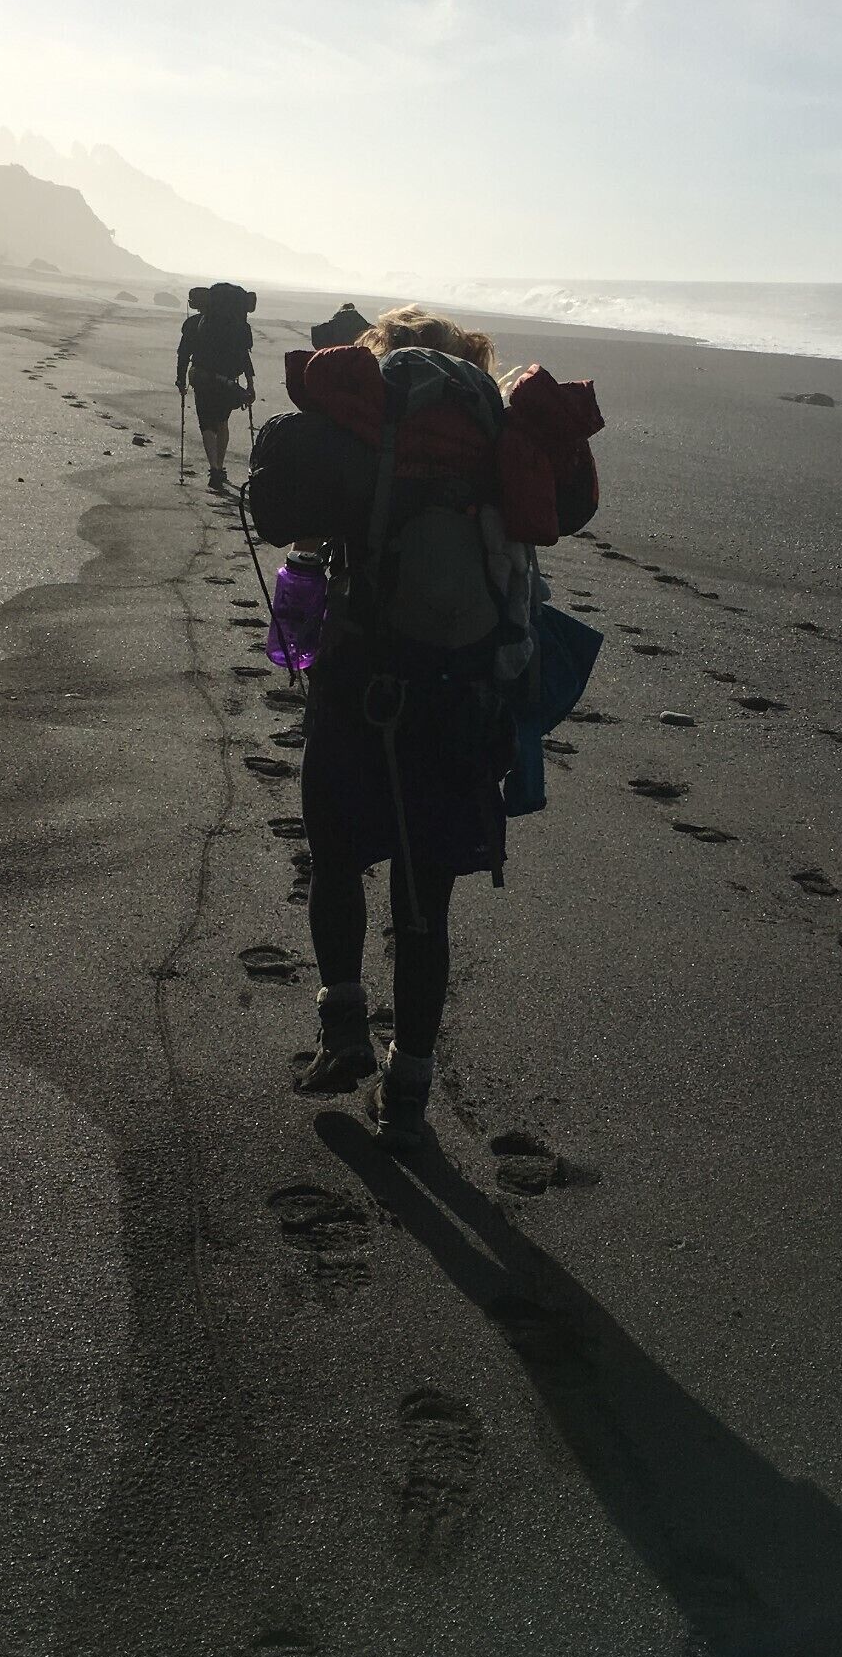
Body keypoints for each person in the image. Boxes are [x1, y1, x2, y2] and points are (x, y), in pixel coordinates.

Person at [246, 305, 602, 1143]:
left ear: (381, 359)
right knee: (424, 901)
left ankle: (342, 1034)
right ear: (474, 364)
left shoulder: (368, 432)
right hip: (461, 700)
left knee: (335, 860)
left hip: (362, 687)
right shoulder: (492, 435)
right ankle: (409, 1087)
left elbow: (301, 536)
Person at [176, 282, 257, 491]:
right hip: (229, 381)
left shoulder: (194, 324)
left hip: (202, 378)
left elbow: (184, 354)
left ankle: (214, 468)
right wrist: (250, 383)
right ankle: (220, 466)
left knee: (207, 423)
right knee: (222, 421)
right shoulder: (237, 326)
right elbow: (244, 355)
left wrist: (180, 379)